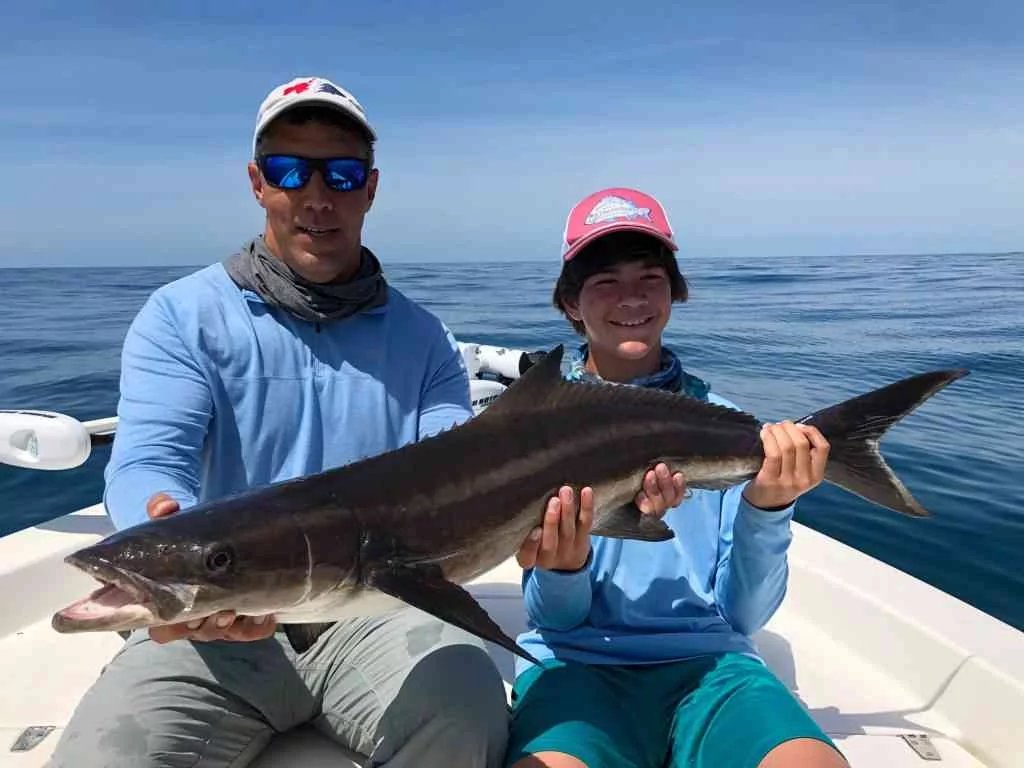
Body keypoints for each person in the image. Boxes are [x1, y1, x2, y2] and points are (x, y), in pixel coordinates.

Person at [49, 75, 513, 768]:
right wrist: (166, 528)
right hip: (218, 617)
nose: (317, 196)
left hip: (376, 613)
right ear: (257, 182)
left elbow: (457, 469)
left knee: (467, 714)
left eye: (342, 173)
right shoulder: (182, 316)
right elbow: (148, 459)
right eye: (290, 170)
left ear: (371, 188)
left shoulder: (424, 339)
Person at [506, 188, 849, 768]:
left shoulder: (727, 425)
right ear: (570, 302)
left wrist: (767, 507)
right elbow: (555, 620)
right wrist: (565, 566)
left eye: (651, 278)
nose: (632, 297)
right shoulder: (532, 433)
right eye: (606, 281)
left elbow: (743, 617)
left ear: (675, 291)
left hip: (714, 666)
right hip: (575, 663)